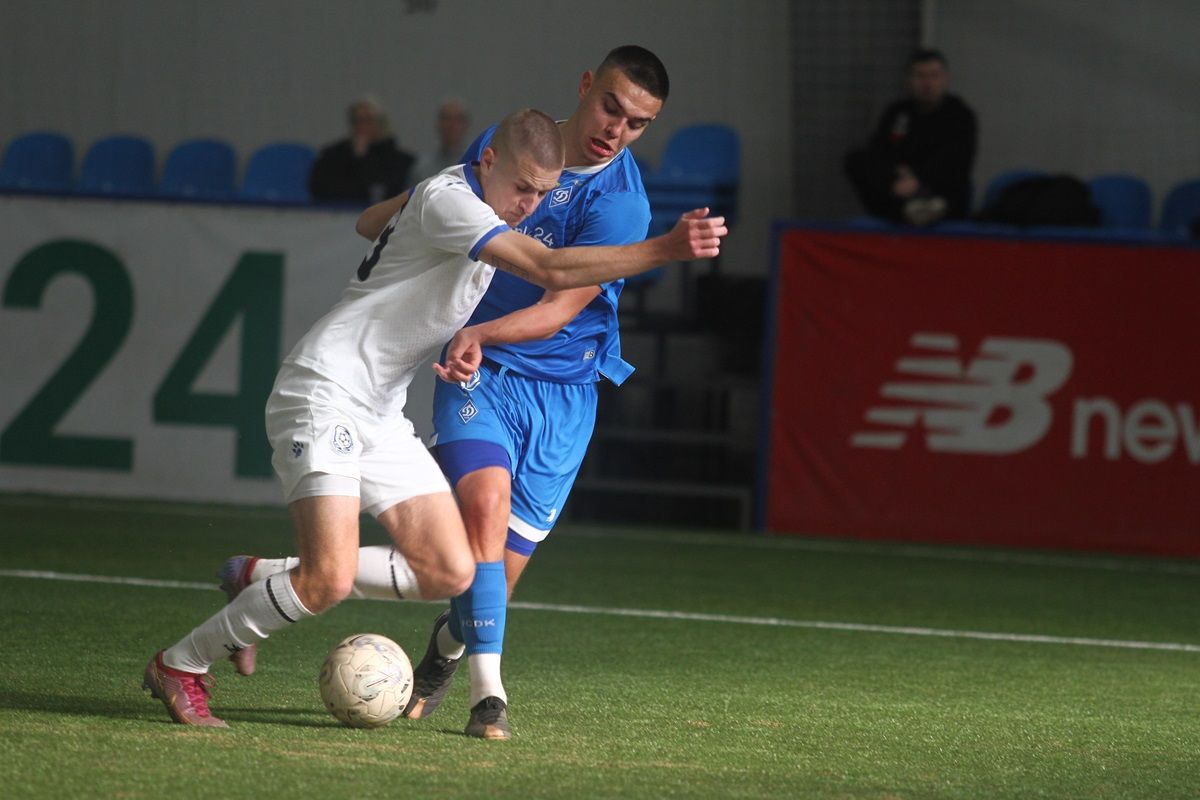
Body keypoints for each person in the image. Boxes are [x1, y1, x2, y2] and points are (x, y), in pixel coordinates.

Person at [141, 106, 727, 730]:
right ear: (489, 160)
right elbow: (550, 269)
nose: (529, 205)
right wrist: (663, 248)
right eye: (521, 187)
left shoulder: (458, 195)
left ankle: (259, 579)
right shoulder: (455, 202)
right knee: (329, 578)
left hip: (380, 411)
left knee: (452, 569)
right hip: (326, 390)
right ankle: (182, 663)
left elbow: (370, 221)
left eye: (543, 194)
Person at [844, 48, 977, 226]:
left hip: (937, 189)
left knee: (953, 174)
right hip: (899, 186)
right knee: (856, 159)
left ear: (945, 79)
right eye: (920, 76)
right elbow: (883, 148)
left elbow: (957, 158)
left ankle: (924, 211)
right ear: (908, 80)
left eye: (934, 76)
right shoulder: (899, 114)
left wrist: (919, 179)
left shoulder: (960, 115)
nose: (927, 83)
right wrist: (894, 177)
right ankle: (907, 212)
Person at [309, 95, 416, 204]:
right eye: (356, 120)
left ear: (381, 123)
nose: (361, 126)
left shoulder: (399, 160)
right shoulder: (332, 155)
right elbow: (320, 188)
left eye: (368, 120)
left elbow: (383, 191)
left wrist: (362, 160)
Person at [411, 99, 472, 182]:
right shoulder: (422, 169)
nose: (452, 125)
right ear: (438, 125)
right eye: (447, 119)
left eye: (458, 119)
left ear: (465, 125)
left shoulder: (476, 168)